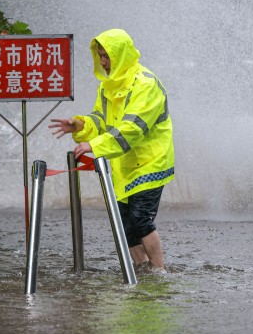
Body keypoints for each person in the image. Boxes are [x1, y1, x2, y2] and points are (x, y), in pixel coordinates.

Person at [50, 29, 174, 270]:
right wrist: (80, 125)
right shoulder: (107, 85)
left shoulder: (146, 84)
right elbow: (101, 120)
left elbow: (132, 129)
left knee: (141, 219)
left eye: (107, 56)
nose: (103, 62)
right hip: (122, 164)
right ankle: (140, 269)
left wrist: (94, 145)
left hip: (150, 162)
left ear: (121, 55)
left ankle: (160, 272)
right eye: (100, 56)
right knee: (125, 223)